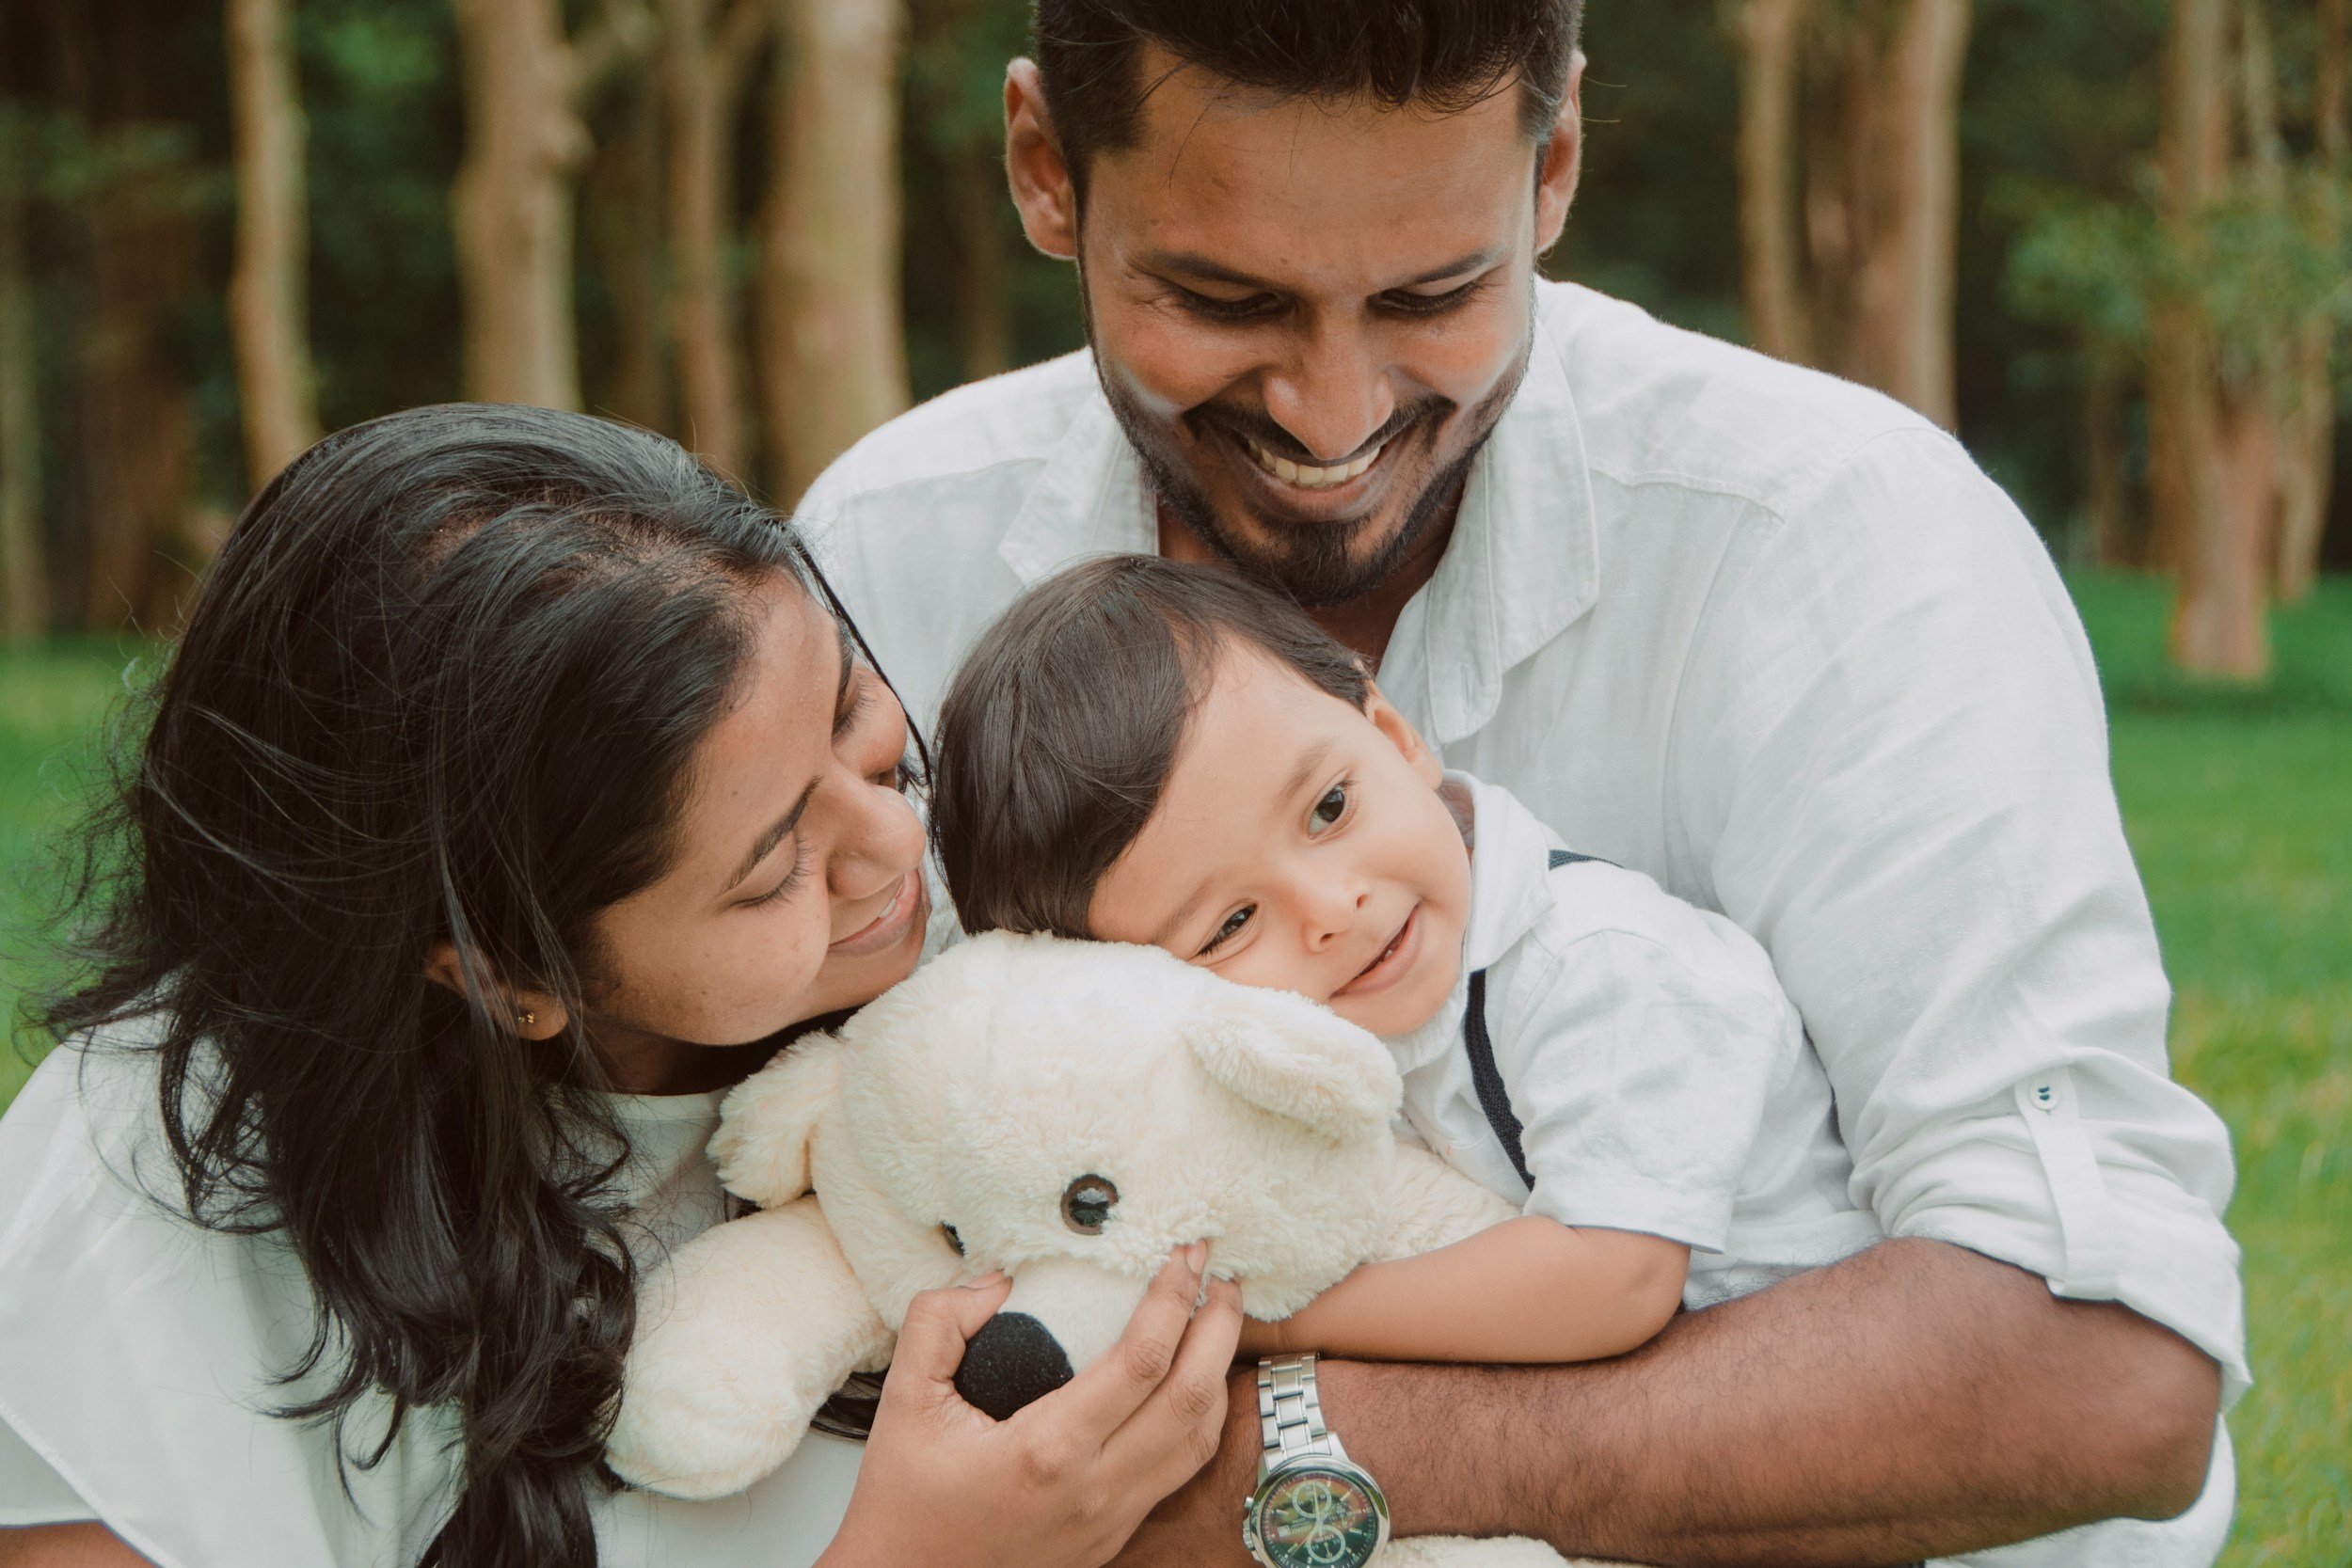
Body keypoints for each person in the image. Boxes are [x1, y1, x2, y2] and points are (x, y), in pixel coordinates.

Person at [796, 1, 2247, 1562]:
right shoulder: (892, 558)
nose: (1330, 414)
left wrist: (1278, 1467)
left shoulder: (1837, 539)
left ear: (1552, 167)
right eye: (1222, 297)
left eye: (1437, 292)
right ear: (1044, 170)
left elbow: (2105, 1365)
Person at [0, 404, 1242, 1568]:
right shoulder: (147, 1216)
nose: (894, 843)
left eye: (858, 721)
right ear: (507, 971)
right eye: (773, 869)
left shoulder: (990, 967)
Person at [931, 555, 1885, 1365]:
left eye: (1329, 808)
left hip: (1808, 1412)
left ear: (1390, 733)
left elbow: (1613, 1274)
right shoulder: (1285, 1043)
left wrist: (1269, 1319)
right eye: (1227, 924)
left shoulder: (1597, 962)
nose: (1331, 907)